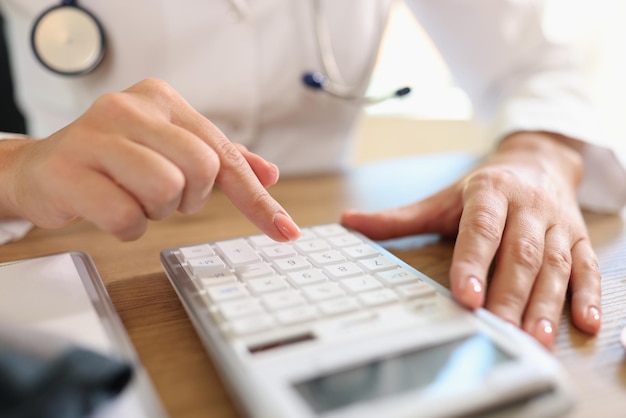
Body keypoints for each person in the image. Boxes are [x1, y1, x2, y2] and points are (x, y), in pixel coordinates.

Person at [0, 0, 624, 350]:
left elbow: (537, 65)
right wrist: (19, 168)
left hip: (332, 239)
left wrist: (539, 156)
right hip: (87, 253)